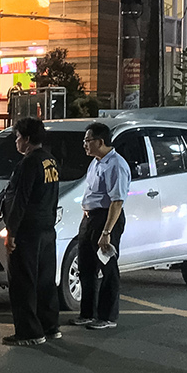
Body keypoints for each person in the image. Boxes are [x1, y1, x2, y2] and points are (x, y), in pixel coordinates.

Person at [0, 117, 62, 346]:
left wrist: (12, 232)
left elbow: (20, 199)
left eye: (17, 137)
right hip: (46, 229)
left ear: (26, 139)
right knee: (45, 281)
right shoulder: (50, 161)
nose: (16, 141)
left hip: (28, 231)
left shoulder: (29, 163)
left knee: (22, 282)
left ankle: (29, 332)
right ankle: (49, 326)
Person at [73, 122, 130, 330]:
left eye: (88, 140)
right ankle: (88, 313)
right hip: (90, 219)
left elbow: (117, 201)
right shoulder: (96, 162)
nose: (84, 145)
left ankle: (107, 316)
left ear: (100, 141)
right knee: (86, 266)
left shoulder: (116, 164)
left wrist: (107, 232)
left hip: (106, 219)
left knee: (108, 268)